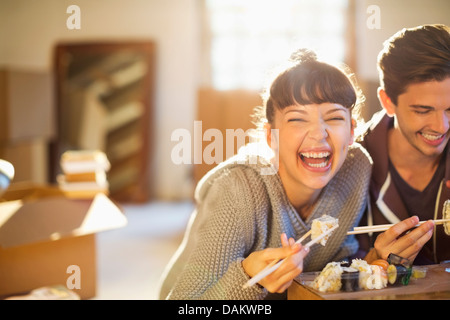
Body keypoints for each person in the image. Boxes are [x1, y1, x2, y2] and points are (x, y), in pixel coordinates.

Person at [158, 48, 373, 300]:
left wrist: (375, 261)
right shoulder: (237, 191)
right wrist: (248, 277)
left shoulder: (357, 167)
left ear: (351, 130)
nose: (318, 134)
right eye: (297, 120)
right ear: (271, 136)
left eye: (335, 117)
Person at [358, 24, 450, 265]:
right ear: (388, 102)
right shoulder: (348, 165)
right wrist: (374, 262)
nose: (441, 126)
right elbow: (325, 270)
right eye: (422, 110)